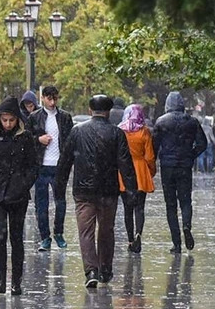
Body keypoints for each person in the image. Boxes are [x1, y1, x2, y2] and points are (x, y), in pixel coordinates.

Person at [54, 94, 138, 289]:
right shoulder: (117, 134)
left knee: (86, 231)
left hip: (83, 190)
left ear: (90, 110)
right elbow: (125, 164)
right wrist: (131, 191)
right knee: (106, 230)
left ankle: (91, 270)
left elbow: (65, 162)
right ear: (108, 112)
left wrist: (60, 187)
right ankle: (105, 268)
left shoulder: (77, 132)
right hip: (108, 190)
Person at [0, 96, 39, 295]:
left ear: (17, 120)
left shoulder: (26, 137)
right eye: (4, 120)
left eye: (11, 120)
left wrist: (24, 185)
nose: (7, 124)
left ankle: (16, 281)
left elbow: (32, 166)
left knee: (16, 237)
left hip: (17, 193)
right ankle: (0, 279)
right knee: (0, 235)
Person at [151, 91, 208, 253]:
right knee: (185, 201)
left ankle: (176, 243)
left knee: (170, 205)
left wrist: (153, 163)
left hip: (167, 167)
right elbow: (202, 144)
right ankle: (186, 226)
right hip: (185, 166)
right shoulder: (192, 122)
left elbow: (154, 147)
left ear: (167, 104)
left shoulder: (161, 122)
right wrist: (191, 154)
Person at [28, 84, 73, 251]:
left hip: (59, 166)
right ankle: (44, 237)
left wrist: (68, 161)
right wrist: (38, 140)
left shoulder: (65, 118)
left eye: (55, 98)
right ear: (43, 98)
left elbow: (70, 140)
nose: (52, 102)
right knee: (41, 204)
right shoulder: (34, 117)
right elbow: (26, 138)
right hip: (41, 165)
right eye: (49, 98)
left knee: (60, 202)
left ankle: (59, 233)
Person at [118, 103, 156, 253]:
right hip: (141, 171)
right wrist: (151, 171)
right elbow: (150, 156)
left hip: (124, 172)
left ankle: (130, 239)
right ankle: (138, 233)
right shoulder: (144, 132)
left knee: (127, 208)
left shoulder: (120, 130)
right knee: (140, 207)